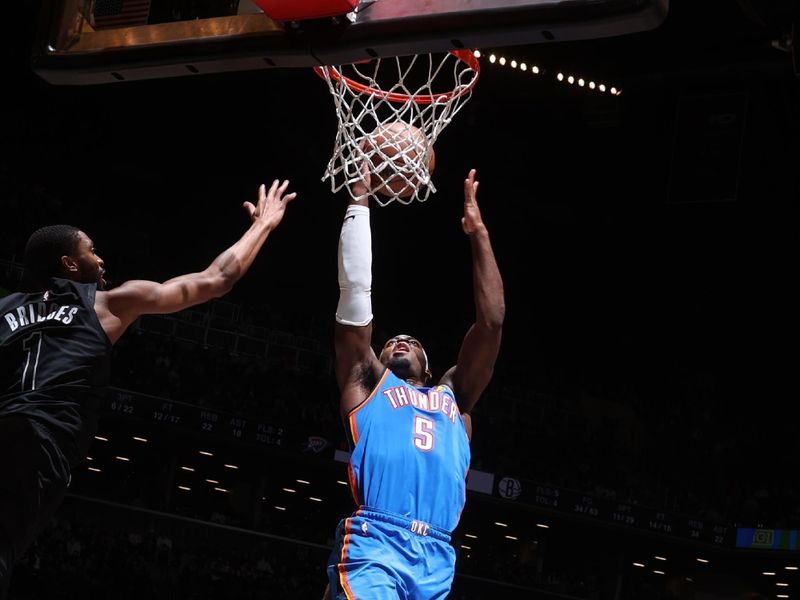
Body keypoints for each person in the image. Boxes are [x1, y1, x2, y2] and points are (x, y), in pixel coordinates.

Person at [0, 179, 297, 596]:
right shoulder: (104, 304)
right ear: (70, 265)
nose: (101, 260)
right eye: (92, 250)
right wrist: (263, 225)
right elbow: (215, 279)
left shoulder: (5, 309)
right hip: (40, 439)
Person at [325, 168, 504, 599]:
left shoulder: (454, 399)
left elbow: (492, 321)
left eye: (412, 342)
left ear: (428, 370)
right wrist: (360, 201)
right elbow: (354, 298)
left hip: (437, 556)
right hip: (378, 539)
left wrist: (479, 234)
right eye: (390, 343)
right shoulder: (367, 385)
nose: (400, 341)